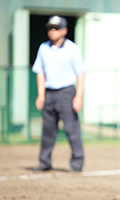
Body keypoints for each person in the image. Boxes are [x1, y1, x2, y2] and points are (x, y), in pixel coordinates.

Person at [32, 15, 85, 172]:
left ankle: (77, 163)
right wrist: (41, 94)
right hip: (49, 93)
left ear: (64, 31)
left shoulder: (73, 49)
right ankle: (44, 162)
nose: (52, 31)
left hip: (66, 93)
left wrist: (78, 97)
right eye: (50, 28)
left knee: (71, 130)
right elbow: (40, 72)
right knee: (47, 131)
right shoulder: (43, 48)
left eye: (55, 28)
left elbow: (80, 74)